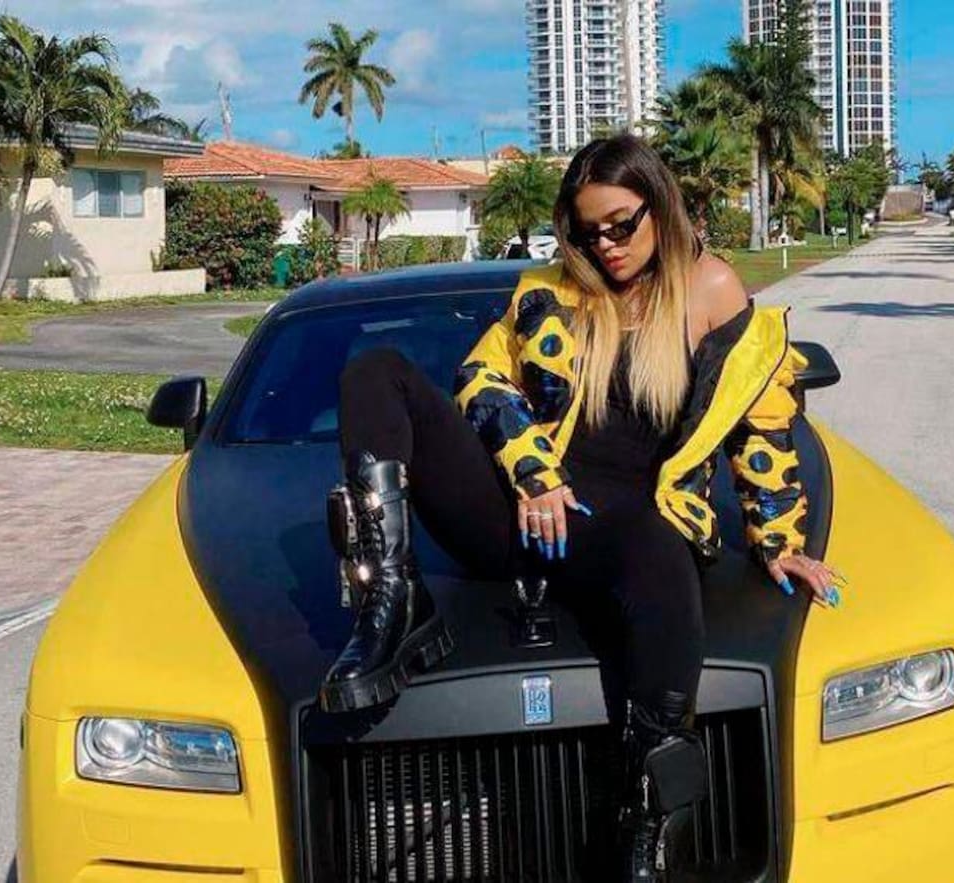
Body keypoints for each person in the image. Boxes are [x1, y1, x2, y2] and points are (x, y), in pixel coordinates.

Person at [320, 134, 841, 881]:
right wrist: (533, 474)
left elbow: (761, 423)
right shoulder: (549, 291)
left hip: (628, 536)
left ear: (659, 207)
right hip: (524, 516)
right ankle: (394, 600)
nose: (607, 246)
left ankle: (648, 824)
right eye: (589, 231)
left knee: (660, 548)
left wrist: (779, 540)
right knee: (376, 369)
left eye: (621, 225)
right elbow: (480, 380)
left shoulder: (711, 290)